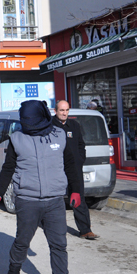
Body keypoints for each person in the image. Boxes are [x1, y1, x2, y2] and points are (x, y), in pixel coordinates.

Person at [0, 100, 85, 274]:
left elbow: (70, 164)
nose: (28, 124)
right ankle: (13, 273)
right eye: (25, 120)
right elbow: (8, 168)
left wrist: (75, 189)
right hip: (28, 200)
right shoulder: (17, 139)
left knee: (59, 244)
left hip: (55, 200)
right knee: (23, 241)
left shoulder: (58, 135)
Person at [52, 100, 98, 240]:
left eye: (66, 110)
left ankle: (85, 230)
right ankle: (54, 226)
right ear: (55, 111)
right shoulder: (49, 126)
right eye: (61, 110)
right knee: (55, 199)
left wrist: (79, 160)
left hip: (74, 168)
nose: (64, 113)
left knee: (78, 197)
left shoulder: (74, 125)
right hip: (56, 168)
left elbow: (80, 145)